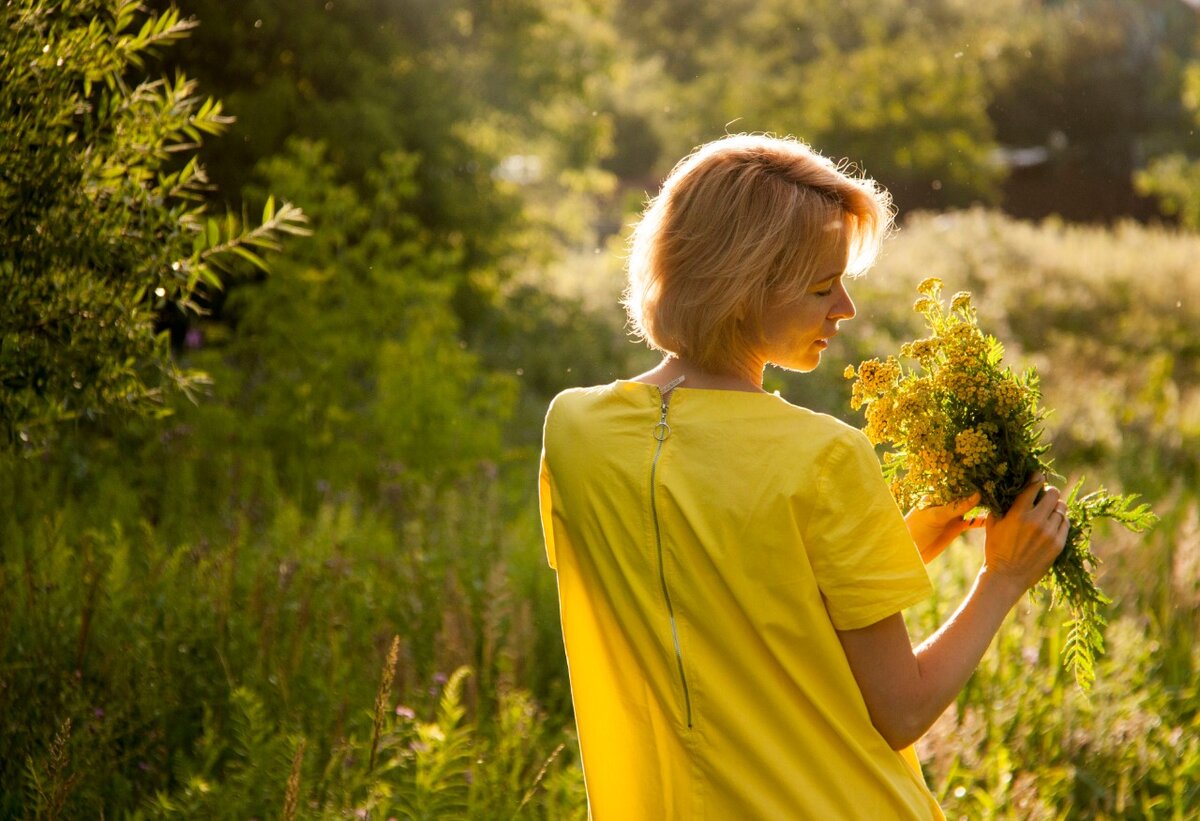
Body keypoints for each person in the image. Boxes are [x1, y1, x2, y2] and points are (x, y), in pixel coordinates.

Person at [538, 134, 1068, 819]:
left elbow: (717, 586)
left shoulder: (574, 431)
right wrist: (1004, 576)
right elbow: (903, 709)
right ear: (738, 289)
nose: (844, 308)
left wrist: (904, 540)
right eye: (822, 287)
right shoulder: (824, 456)